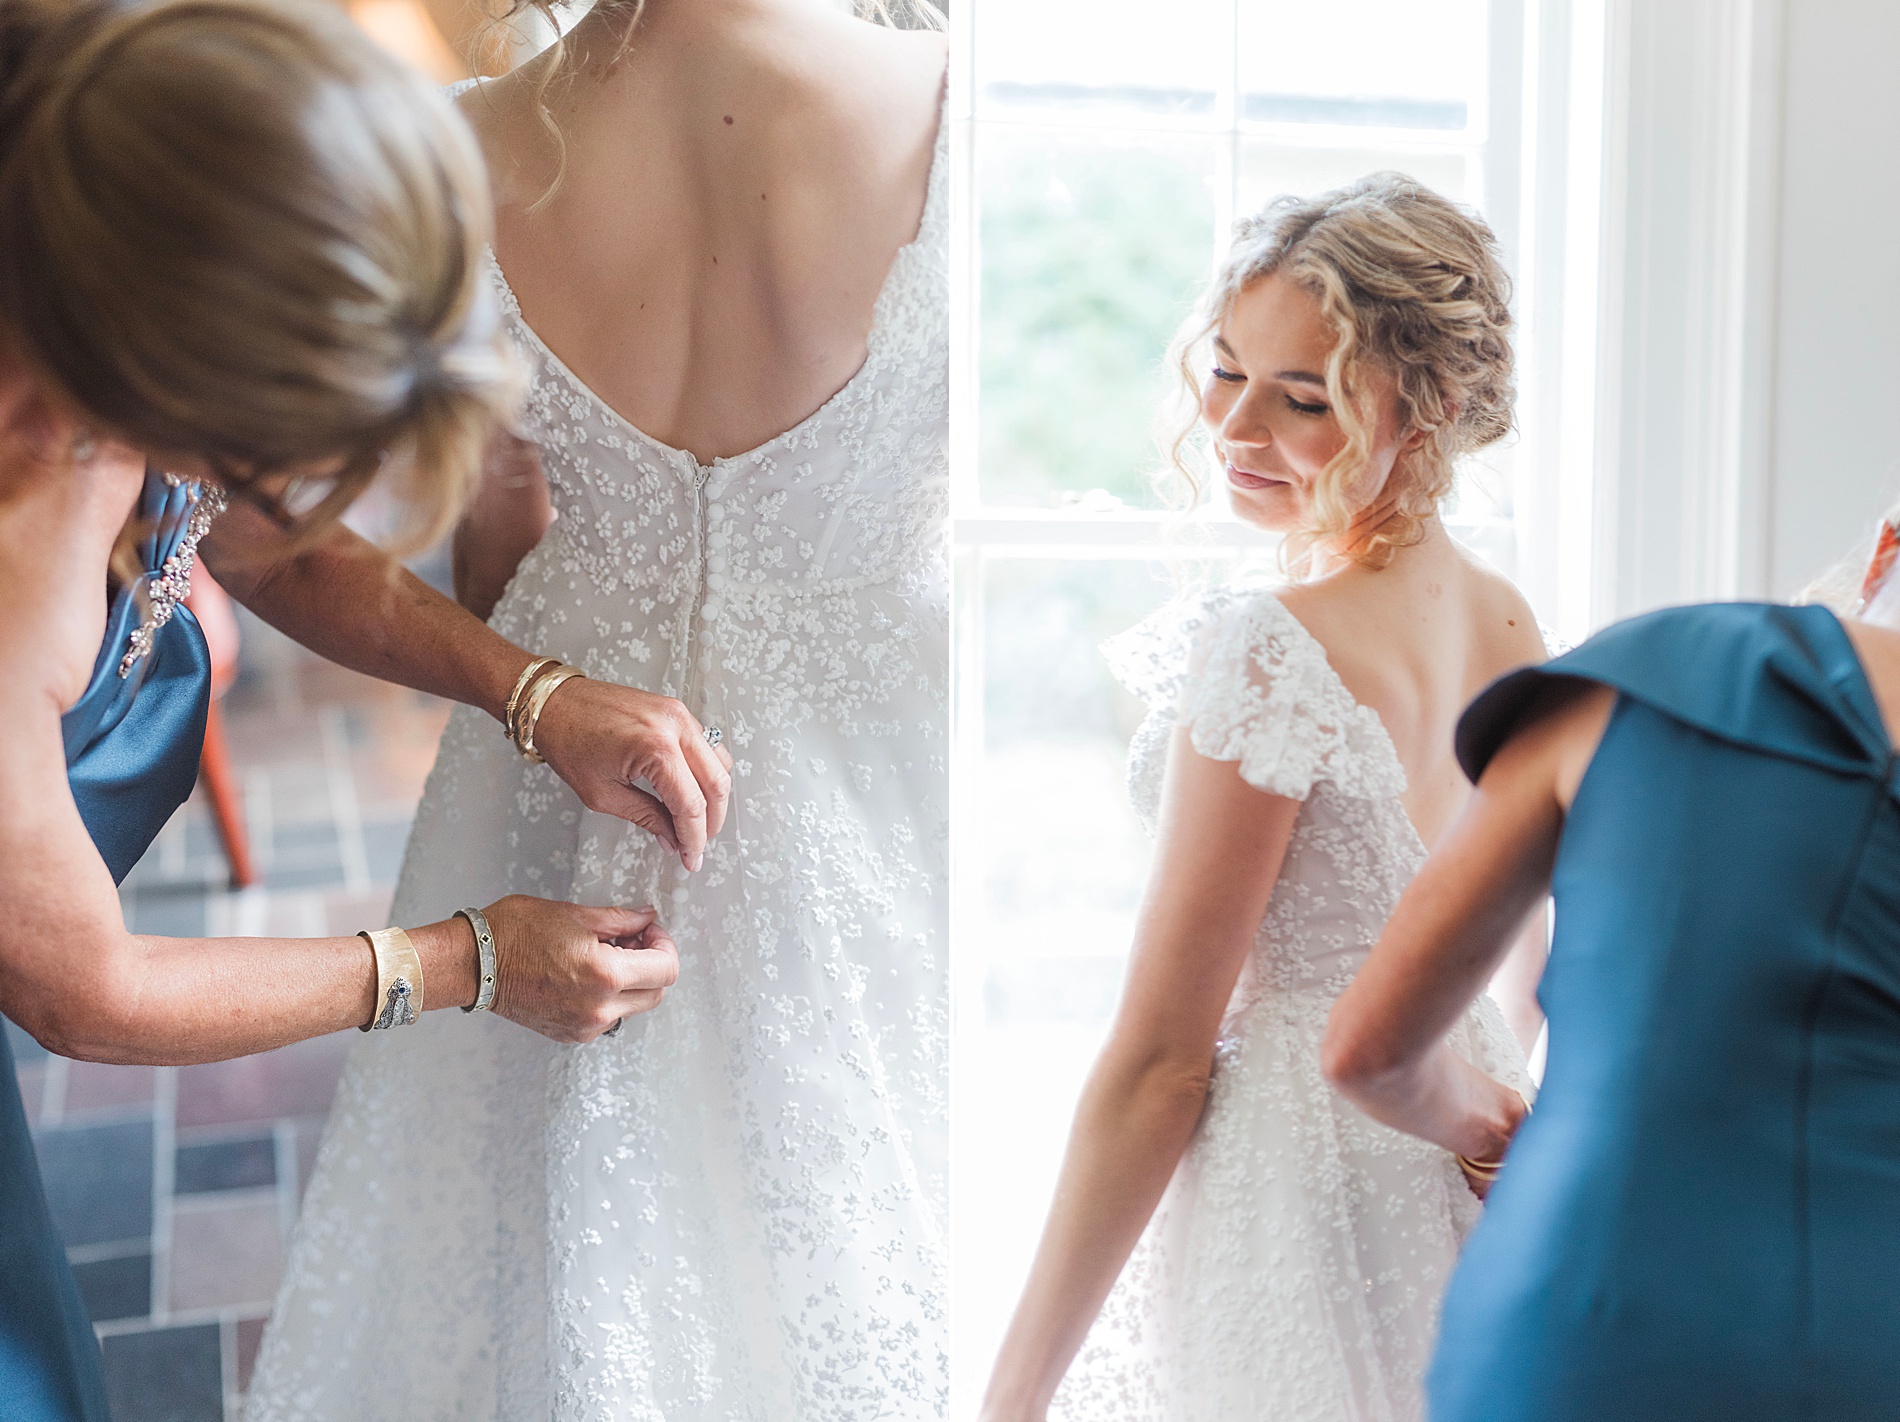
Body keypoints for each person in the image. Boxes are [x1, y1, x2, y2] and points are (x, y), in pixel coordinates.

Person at [0, 1, 733, 1415]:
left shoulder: (141, 210)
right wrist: (466, 961)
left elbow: (251, 535)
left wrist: (538, 689)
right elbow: (73, 984)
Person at [246, 1, 950, 1417]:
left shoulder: (466, 147)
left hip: (557, 737)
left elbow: (350, 524)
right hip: (883, 747)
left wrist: (533, 685)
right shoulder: (952, 98)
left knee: (538, 1223)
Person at [979, 174, 1544, 1422]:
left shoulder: (1268, 645)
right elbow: (1523, 960)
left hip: (1301, 1181)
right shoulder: (1508, 617)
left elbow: (1159, 1065)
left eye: (1304, 398)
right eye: (1226, 369)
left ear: (1434, 407)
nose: (1235, 430)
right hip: (1461, 1165)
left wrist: (1009, 1400)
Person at [1322, 530, 1900, 1421]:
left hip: (1574, 1318)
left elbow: (1365, 1052)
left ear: (1883, 550)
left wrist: (1493, 1127)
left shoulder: (1652, 676)